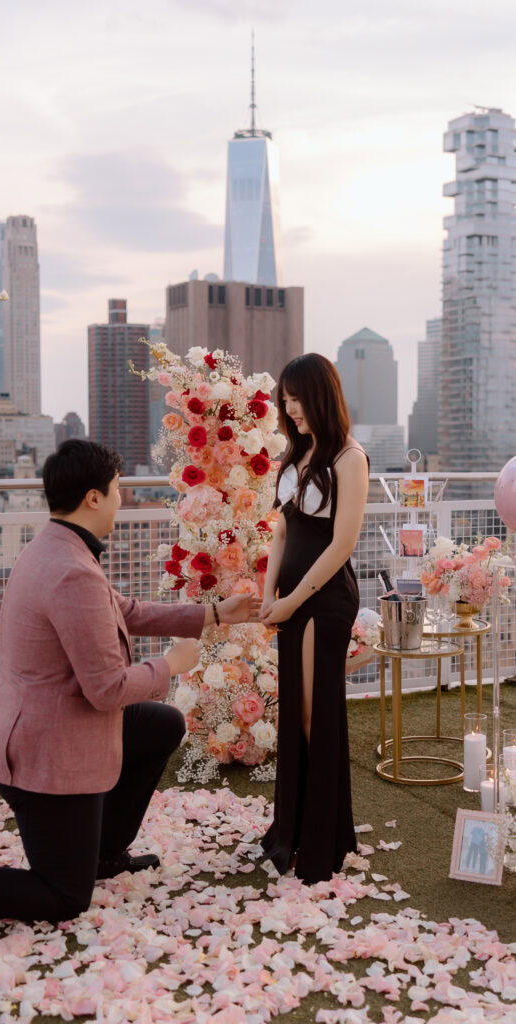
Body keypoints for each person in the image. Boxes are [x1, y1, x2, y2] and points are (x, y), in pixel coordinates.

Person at [0, 439, 260, 952]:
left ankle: (101, 853)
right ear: (94, 498)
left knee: (160, 724)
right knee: (63, 895)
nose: (122, 499)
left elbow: (127, 611)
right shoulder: (72, 571)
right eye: (118, 489)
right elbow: (107, 691)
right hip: (45, 760)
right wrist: (171, 664)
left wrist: (213, 614)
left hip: (42, 730)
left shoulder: (55, 547)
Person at [259, 353, 369, 885]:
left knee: (312, 716)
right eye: (285, 397)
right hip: (290, 597)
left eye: (297, 396)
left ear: (320, 396)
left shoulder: (349, 457)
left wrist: (293, 599)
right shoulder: (296, 452)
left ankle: (320, 840)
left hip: (324, 599)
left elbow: (342, 543)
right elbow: (281, 531)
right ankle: (297, 829)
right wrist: (267, 594)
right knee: (297, 715)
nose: (288, 406)